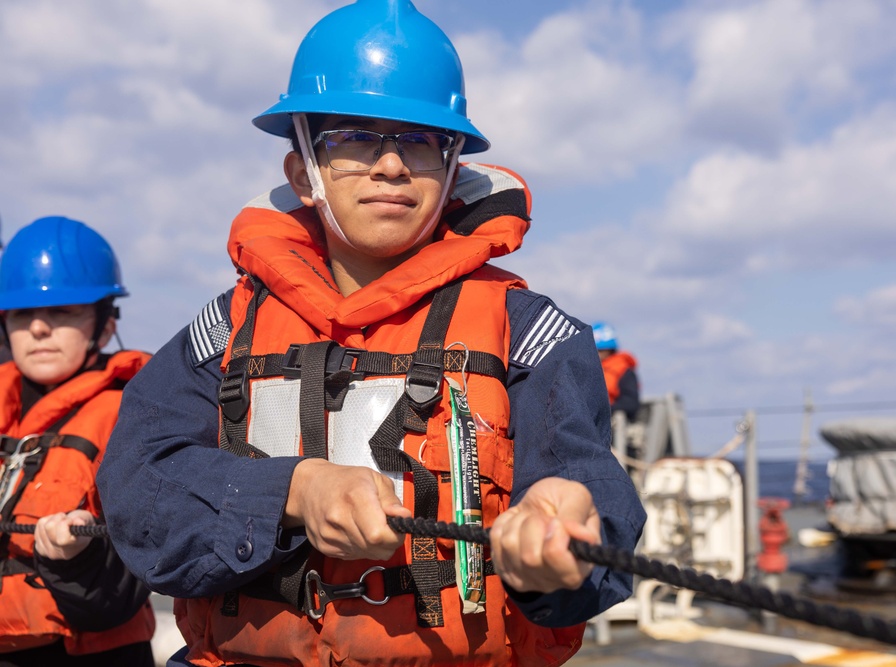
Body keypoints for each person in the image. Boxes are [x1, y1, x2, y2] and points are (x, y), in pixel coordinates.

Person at [97, 1, 646, 665]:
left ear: (452, 171)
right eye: (354, 138)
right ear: (303, 171)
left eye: (420, 141)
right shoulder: (224, 332)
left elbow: (587, 481)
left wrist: (564, 526)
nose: (390, 165)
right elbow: (136, 489)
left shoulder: (531, 333)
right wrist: (296, 492)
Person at [0, 217, 155, 666]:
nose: (39, 329)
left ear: (106, 326)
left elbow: (124, 591)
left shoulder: (139, 417)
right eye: (22, 313)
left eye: (63, 312)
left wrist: (73, 559)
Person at [592, 322, 641, 421]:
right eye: (595, 350)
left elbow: (630, 403)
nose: (598, 354)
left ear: (610, 350)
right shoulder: (585, 368)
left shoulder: (623, 370)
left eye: (601, 350)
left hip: (612, 423)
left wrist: (602, 410)